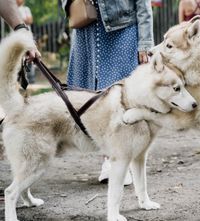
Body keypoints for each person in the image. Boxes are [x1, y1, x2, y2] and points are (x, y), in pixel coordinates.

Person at [61, 0, 154, 184]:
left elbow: (143, 3)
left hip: (122, 29)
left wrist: (145, 41)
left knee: (121, 96)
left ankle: (119, 160)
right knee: (93, 99)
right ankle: (110, 158)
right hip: (86, 28)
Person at [17, 0, 36, 83]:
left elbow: (30, 20)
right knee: (19, 58)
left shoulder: (26, 9)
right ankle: (19, 79)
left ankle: (31, 78)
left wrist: (19, 21)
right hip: (17, 38)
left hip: (28, 36)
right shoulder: (13, 9)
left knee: (30, 56)